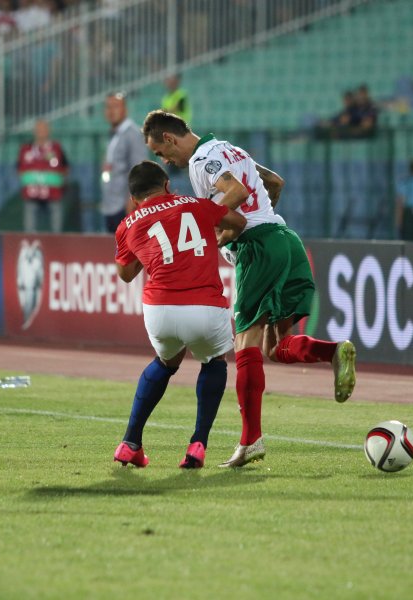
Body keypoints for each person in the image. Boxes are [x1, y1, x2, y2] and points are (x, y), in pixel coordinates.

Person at [142, 110, 357, 468]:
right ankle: (334, 352)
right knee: (276, 346)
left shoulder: (200, 160)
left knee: (245, 344)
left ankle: (250, 441)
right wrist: (252, 222)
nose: (164, 161)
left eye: (161, 153)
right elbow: (274, 184)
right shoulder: (230, 149)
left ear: (170, 138)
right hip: (285, 239)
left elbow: (237, 191)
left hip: (258, 247)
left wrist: (203, 219)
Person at [113, 161, 247, 469]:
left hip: (159, 310)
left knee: (166, 362)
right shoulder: (197, 205)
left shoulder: (128, 223)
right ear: (167, 186)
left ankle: (130, 442)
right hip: (204, 306)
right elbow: (237, 222)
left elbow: (125, 273)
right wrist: (215, 236)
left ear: (134, 198)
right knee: (213, 361)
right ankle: (198, 444)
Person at [101, 93, 144, 233]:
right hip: (111, 202)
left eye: (116, 106)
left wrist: (131, 201)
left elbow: (138, 169)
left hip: (124, 205)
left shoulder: (132, 133)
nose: (111, 111)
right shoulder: (114, 133)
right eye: (108, 107)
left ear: (125, 109)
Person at [17, 120, 70, 233]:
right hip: (32, 194)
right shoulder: (26, 149)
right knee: (29, 225)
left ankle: (57, 244)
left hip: (53, 195)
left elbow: (65, 167)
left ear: (49, 131)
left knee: (56, 225)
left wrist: (59, 182)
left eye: (44, 129)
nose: (41, 132)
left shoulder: (56, 148)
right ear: (34, 131)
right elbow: (19, 168)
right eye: (38, 129)